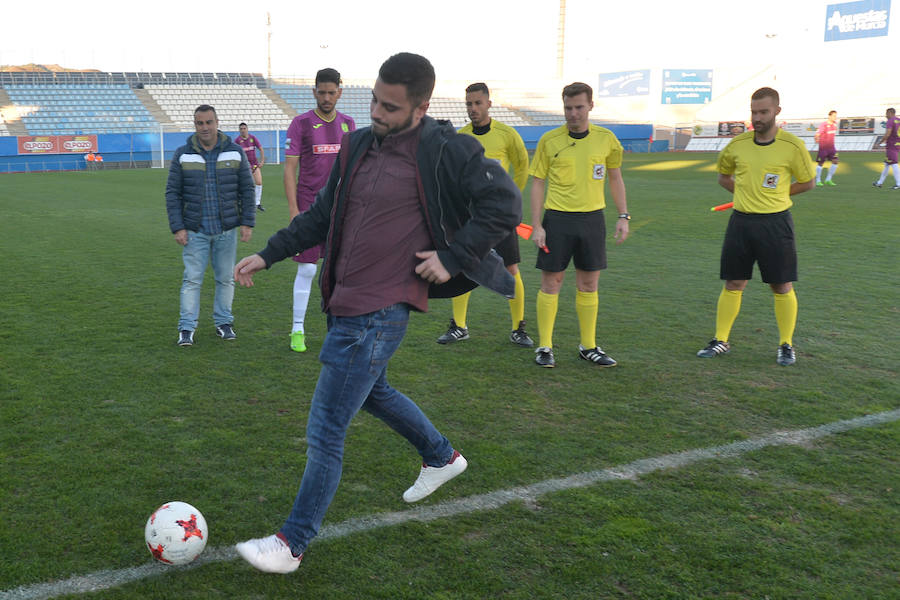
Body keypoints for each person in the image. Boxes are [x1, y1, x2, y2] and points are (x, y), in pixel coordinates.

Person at [233, 53, 521, 574]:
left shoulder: (446, 149)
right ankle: (440, 456)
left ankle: (292, 543)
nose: (378, 113)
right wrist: (270, 253)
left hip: (380, 310)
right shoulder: (360, 143)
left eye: (390, 107)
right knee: (374, 392)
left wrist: (453, 257)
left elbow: (503, 204)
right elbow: (322, 214)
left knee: (325, 429)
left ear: (421, 105)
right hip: (345, 301)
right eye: (373, 101)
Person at [696, 87, 815, 366]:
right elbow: (723, 177)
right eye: (754, 112)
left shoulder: (792, 146)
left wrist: (779, 195)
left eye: (763, 112)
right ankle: (721, 340)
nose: (758, 117)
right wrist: (743, 193)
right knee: (734, 282)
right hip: (741, 222)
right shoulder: (737, 145)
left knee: (780, 284)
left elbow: (807, 182)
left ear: (776, 112)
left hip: (776, 222)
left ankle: (786, 344)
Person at [528, 82, 630, 368]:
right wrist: (537, 224)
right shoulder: (550, 140)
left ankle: (588, 346)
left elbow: (615, 178)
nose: (573, 114)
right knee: (552, 283)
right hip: (557, 219)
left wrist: (623, 215)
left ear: (590, 106)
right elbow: (537, 182)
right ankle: (545, 347)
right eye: (568, 108)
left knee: (588, 284)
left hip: (592, 220)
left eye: (578, 107)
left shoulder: (606, 139)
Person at [436, 82, 533, 347]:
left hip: (497, 219)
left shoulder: (506, 134)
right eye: (469, 104)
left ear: (489, 103)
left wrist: (509, 201)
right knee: (460, 267)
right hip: (466, 218)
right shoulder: (460, 137)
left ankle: (519, 328)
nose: (473, 109)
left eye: (478, 103)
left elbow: (523, 166)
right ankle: (459, 326)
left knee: (511, 268)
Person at [165, 105, 255, 346]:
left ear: (217, 122)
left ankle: (223, 322)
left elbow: (247, 188)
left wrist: (247, 222)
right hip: (195, 230)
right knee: (192, 280)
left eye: (208, 122)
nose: (204, 127)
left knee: (225, 278)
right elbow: (172, 192)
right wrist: (178, 227)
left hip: (226, 229)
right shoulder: (183, 154)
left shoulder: (235, 152)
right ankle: (186, 328)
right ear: (194, 125)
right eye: (199, 123)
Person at [283, 68, 356, 353]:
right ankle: (297, 330)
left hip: (342, 210)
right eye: (321, 92)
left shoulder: (349, 124)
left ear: (340, 91)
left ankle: (338, 329)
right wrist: (294, 210)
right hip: (310, 208)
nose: (326, 98)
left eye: (331, 92)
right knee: (308, 269)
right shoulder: (301, 124)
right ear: (314, 92)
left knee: (339, 270)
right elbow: (290, 170)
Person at [236, 122, 266, 211]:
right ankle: (243, 203)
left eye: (244, 128)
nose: (243, 130)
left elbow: (260, 148)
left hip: (254, 165)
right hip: (245, 166)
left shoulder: (252, 138)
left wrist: (262, 161)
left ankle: (257, 203)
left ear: (247, 129)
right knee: (246, 185)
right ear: (239, 130)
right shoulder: (238, 141)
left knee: (259, 182)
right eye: (241, 129)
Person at [873, 107, 900, 190]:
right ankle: (879, 182)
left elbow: (888, 133)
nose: (886, 115)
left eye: (886, 113)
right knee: (887, 163)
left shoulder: (890, 121)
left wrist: (880, 142)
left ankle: (899, 183)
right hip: (897, 143)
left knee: (894, 163)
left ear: (890, 113)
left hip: (891, 144)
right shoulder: (898, 120)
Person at [814, 110, 838, 186]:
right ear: (829, 116)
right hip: (823, 148)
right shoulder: (823, 125)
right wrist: (817, 139)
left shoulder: (835, 125)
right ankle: (818, 180)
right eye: (834, 116)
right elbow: (817, 134)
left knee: (835, 162)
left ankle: (828, 179)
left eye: (836, 116)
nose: (835, 117)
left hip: (832, 148)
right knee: (821, 163)